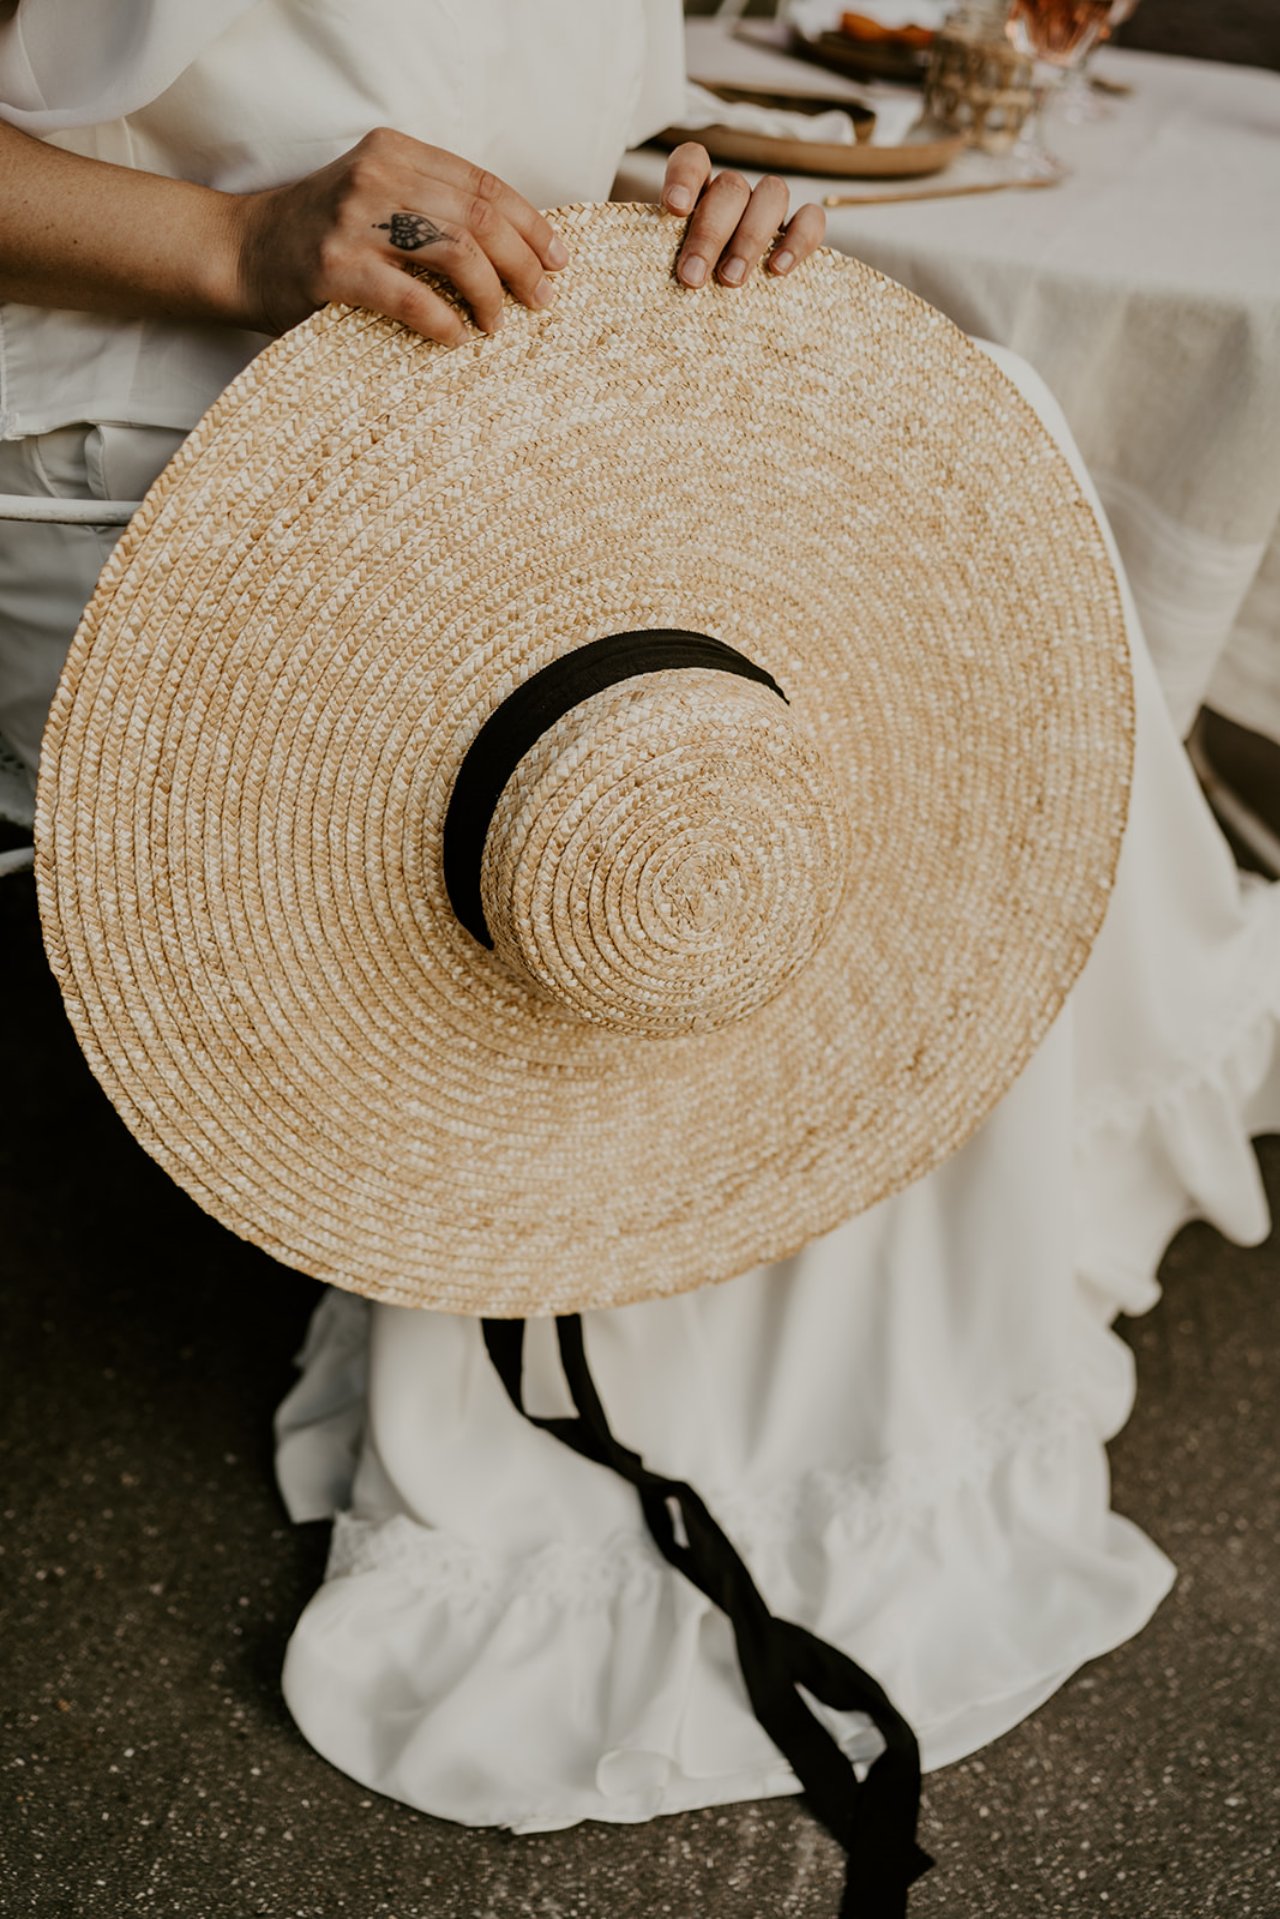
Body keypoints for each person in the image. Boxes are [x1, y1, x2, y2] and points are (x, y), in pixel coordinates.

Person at [3, 0, 1278, 1875]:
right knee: (554, 724)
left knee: (972, 462)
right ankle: (615, 1197)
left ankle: (781, 1197)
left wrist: (649, 216)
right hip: (153, 406)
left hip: (493, 368)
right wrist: (239, 241)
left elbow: (509, 120)